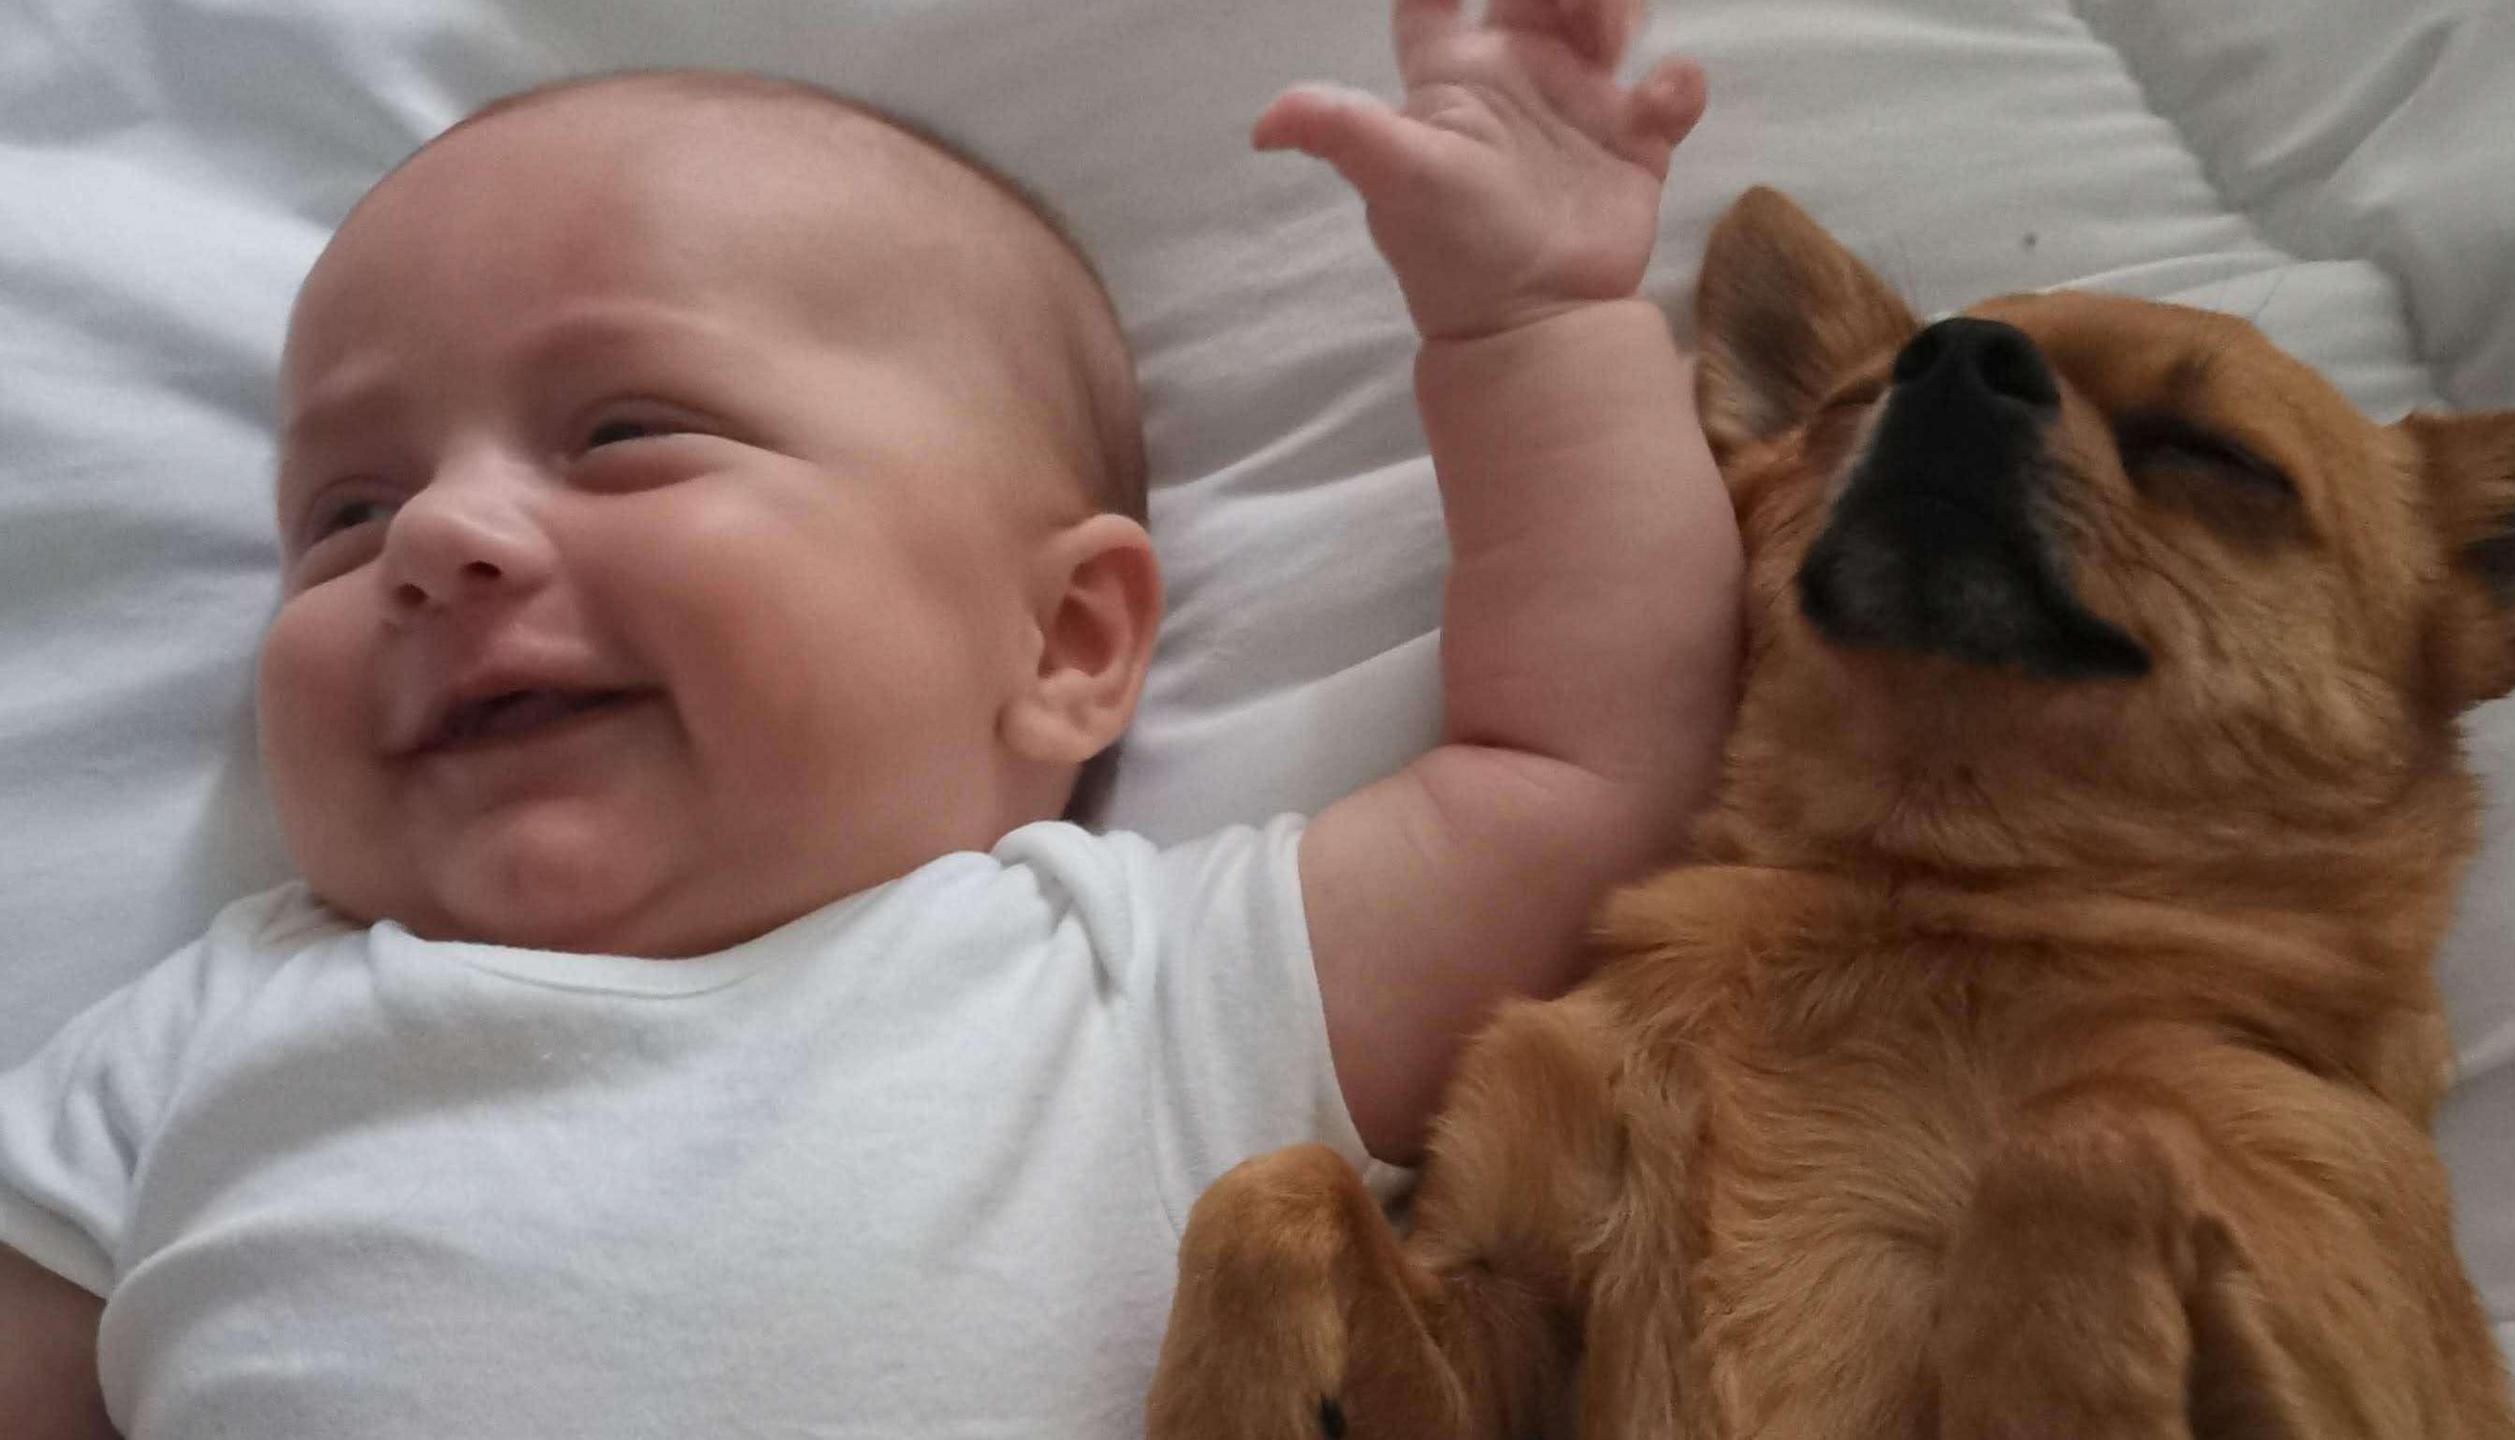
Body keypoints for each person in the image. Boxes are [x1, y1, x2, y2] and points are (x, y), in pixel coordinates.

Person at [0, 0, 1739, 1433]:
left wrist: (1531, 324)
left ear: (1064, 638)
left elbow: (1584, 772)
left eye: (622, 434)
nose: (441, 537)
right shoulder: (193, 1048)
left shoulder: (1128, 986)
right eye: (344, 513)